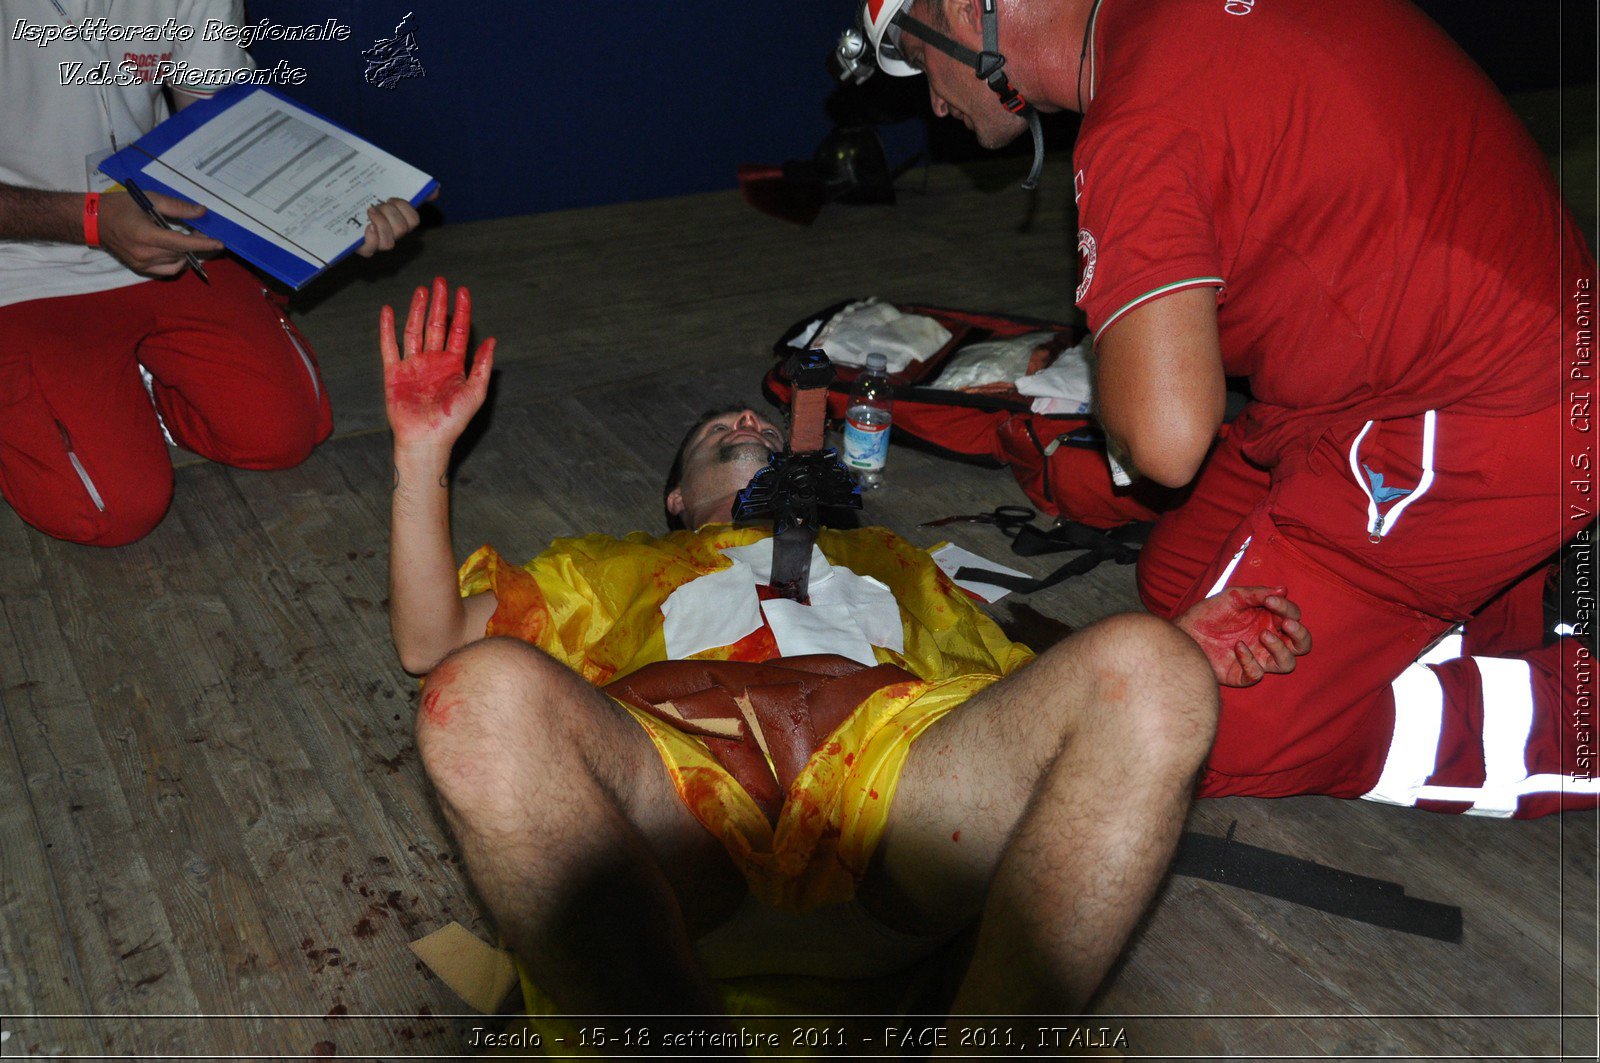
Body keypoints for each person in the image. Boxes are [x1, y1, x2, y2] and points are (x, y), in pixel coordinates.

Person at [379, 278, 1312, 1016]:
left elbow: (1031, 717)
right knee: (476, 694)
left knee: (1155, 675)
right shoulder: (606, 565)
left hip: (895, 828)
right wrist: (422, 457)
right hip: (677, 837)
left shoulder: (890, 559)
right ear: (675, 501)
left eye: (761, 426)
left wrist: (1171, 652)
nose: (748, 421)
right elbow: (427, 641)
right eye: (718, 431)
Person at [857, 0, 1598, 816]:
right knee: (1173, 582)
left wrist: (1113, 327)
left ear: (968, 10)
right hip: (1393, 371)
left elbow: (1167, 440)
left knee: (1190, 719)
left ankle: (1575, 706)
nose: (930, 101)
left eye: (915, 55)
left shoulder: (1139, 122)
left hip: (1476, 412)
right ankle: (1520, 591)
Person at [0, 1, 427, 547]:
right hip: (20, 266)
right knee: (111, 512)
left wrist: (341, 207)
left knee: (283, 435)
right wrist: (89, 220)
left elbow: (228, 124)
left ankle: (139, 387)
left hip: (165, 236)